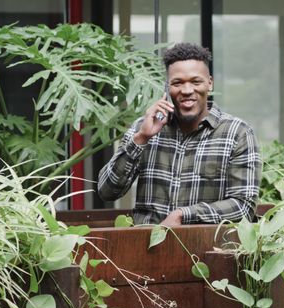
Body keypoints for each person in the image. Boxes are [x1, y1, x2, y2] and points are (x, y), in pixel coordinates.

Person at [97, 43, 261, 226]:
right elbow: (106, 192)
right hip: (145, 247)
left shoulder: (237, 133)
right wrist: (141, 139)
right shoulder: (143, 128)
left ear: (210, 83)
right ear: (167, 87)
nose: (187, 90)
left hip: (204, 250)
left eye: (196, 81)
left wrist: (183, 215)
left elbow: (243, 206)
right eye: (178, 83)